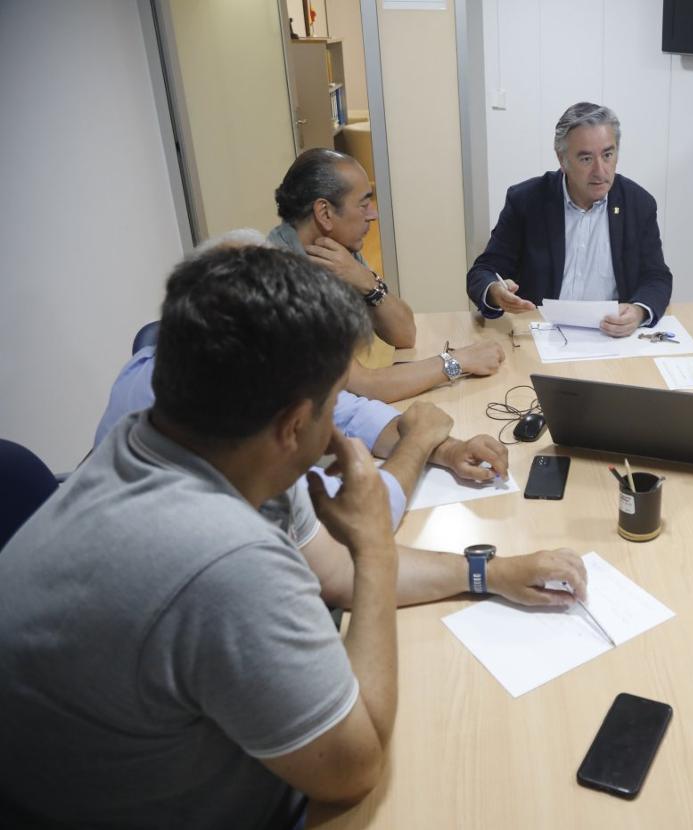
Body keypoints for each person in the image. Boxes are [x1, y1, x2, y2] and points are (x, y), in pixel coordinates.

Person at [0, 246, 588, 828]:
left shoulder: (186, 438)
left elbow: (332, 571)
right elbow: (355, 766)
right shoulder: (221, 561)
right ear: (292, 426)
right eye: (335, 405)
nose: (339, 426)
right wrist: (375, 548)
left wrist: (487, 572)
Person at [93, 230, 508, 530]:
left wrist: (447, 449)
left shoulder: (238, 379)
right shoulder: (226, 452)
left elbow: (353, 412)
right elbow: (359, 530)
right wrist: (419, 443)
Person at [272, 149, 506, 402]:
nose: (373, 214)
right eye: (363, 205)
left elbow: (404, 334)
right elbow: (362, 386)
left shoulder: (335, 251)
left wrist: (367, 282)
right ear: (325, 213)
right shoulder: (283, 282)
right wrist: (459, 361)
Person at [466, 102, 673, 337]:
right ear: (562, 159)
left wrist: (638, 311)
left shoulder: (638, 204)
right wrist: (495, 291)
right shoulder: (527, 201)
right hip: (541, 334)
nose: (600, 170)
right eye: (586, 159)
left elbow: (657, 277)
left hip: (610, 337)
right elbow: (482, 272)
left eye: (608, 155)